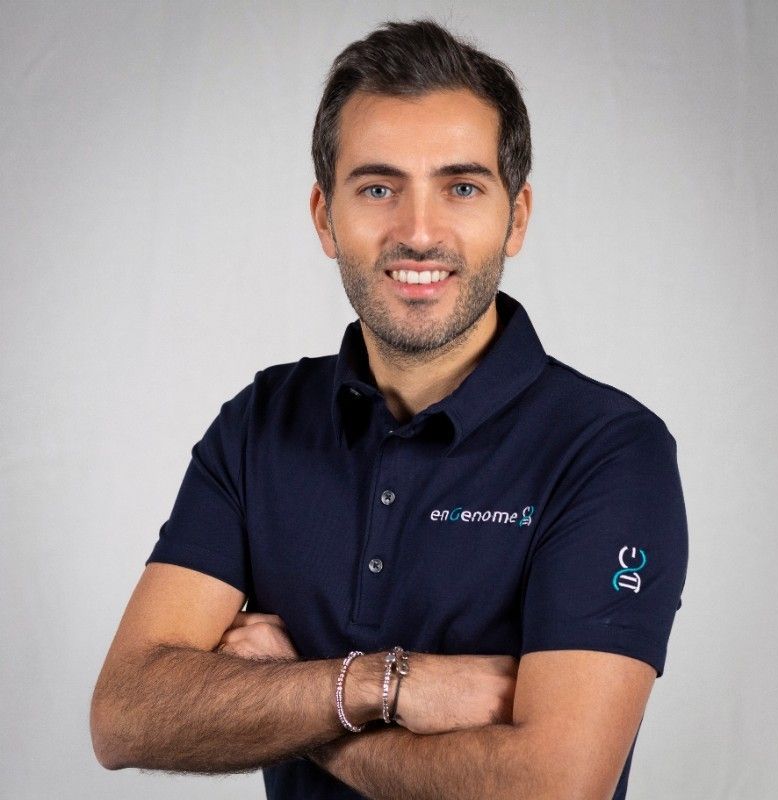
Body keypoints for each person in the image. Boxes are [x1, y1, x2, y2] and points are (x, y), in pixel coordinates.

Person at [90, 18, 688, 800]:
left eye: (461, 187)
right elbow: (126, 715)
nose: (418, 232)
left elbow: (553, 785)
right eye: (378, 188)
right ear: (324, 217)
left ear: (517, 217)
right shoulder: (260, 425)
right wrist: (381, 685)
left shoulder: (609, 451)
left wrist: (300, 705)